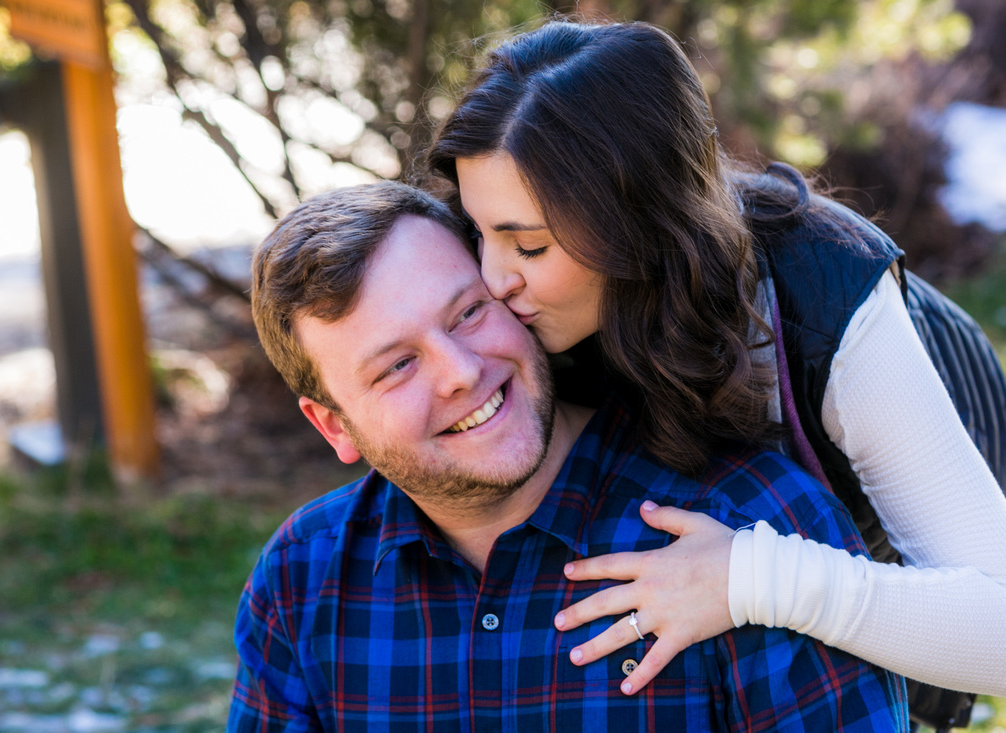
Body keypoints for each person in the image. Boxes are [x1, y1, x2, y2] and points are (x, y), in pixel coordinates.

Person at [425, 17, 1006, 722]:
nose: (493, 278)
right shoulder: (535, 306)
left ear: (638, 225)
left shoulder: (829, 302)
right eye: (481, 232)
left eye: (530, 247)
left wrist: (751, 576)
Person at [228, 180, 908, 730]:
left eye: (467, 313)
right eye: (399, 365)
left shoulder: (750, 525)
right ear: (333, 426)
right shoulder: (301, 579)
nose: (461, 370)